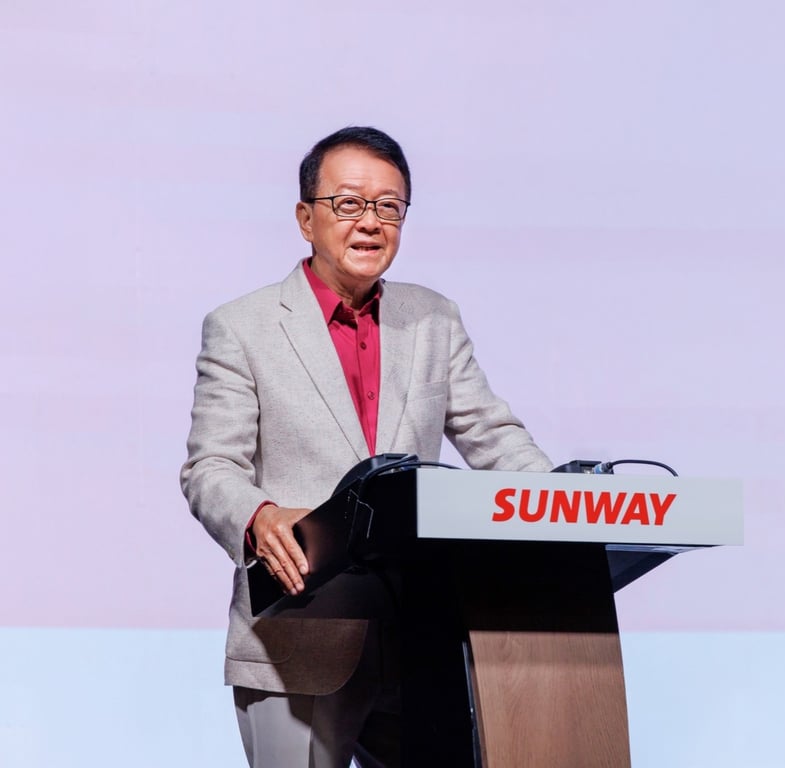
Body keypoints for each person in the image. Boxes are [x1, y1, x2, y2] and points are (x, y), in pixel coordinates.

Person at [180, 126, 553, 767]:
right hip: (299, 636)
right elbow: (211, 466)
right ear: (306, 218)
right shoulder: (242, 326)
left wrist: (563, 509)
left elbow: (493, 436)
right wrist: (259, 517)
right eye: (349, 203)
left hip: (422, 634)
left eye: (389, 206)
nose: (371, 222)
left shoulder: (434, 318)